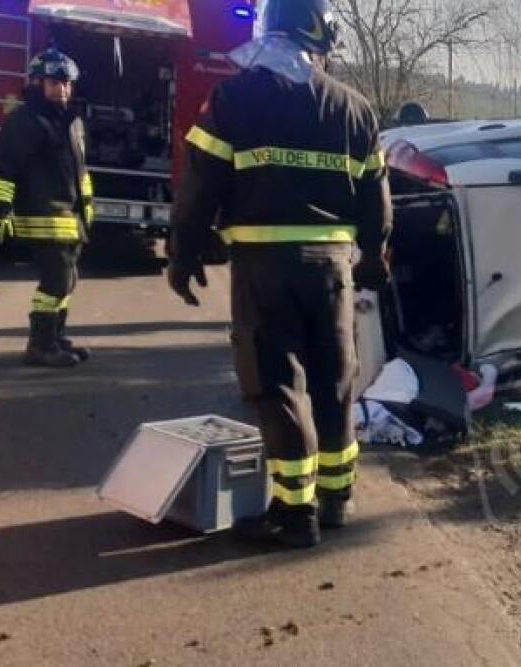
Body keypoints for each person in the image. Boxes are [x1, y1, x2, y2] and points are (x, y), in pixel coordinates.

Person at [167, 0, 392, 549]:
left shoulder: (234, 97)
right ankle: (337, 497)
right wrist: (375, 257)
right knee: (335, 380)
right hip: (333, 270)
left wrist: (183, 253)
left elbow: (200, 184)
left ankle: (295, 514)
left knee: (276, 384)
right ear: (322, 38)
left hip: (265, 269)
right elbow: (377, 201)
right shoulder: (356, 109)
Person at [0, 47, 94, 367]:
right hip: (43, 216)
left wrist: (87, 207)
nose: (63, 89)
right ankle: (40, 346)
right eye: (55, 83)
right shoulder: (25, 120)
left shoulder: (71, 121)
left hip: (71, 217)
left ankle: (56, 339)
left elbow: (80, 170)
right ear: (37, 83)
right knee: (56, 282)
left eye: (67, 83)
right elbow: (4, 169)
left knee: (69, 280)